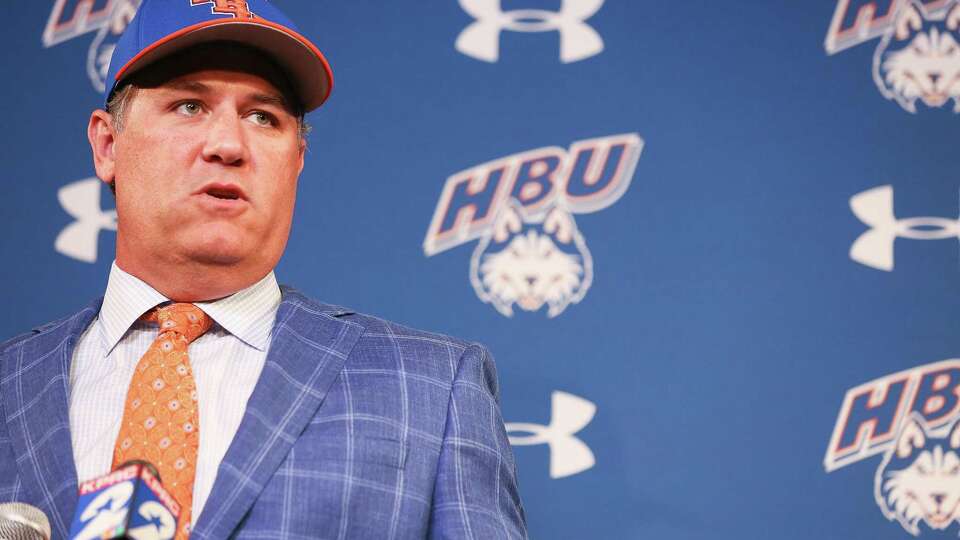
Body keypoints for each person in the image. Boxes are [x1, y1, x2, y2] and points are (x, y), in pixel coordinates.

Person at [0, 1, 526, 538]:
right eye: (188, 106)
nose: (228, 144)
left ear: (296, 160)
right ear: (108, 145)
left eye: (263, 117)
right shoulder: (8, 382)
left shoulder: (432, 389)